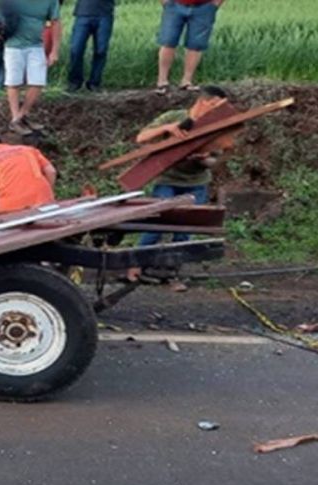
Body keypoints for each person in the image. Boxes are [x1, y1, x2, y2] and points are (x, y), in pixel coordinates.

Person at [126, 86, 229, 280]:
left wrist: (202, 159)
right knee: (158, 223)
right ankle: (134, 266)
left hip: (196, 182)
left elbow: (214, 161)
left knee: (185, 229)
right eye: (215, 105)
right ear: (203, 102)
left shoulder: (216, 126)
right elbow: (141, 138)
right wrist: (167, 128)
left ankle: (173, 272)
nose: (218, 110)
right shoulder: (174, 116)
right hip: (168, 180)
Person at [0, 0, 61, 136]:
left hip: (36, 45)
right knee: (13, 82)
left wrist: (54, 50)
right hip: (13, 45)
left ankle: (20, 117)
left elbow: (56, 22)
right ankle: (16, 117)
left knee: (38, 82)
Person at [155, 0, 224, 94]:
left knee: (196, 45)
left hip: (204, 6)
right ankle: (162, 82)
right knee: (168, 41)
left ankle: (186, 81)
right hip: (175, 4)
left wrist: (214, 5)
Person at [0, 135, 56, 213]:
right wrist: (46, 194)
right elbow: (51, 171)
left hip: (10, 210)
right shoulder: (28, 150)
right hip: (43, 203)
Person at [66, 0, 113, 92]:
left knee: (101, 51)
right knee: (76, 49)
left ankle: (94, 83)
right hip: (83, 14)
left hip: (104, 14)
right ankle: (75, 82)